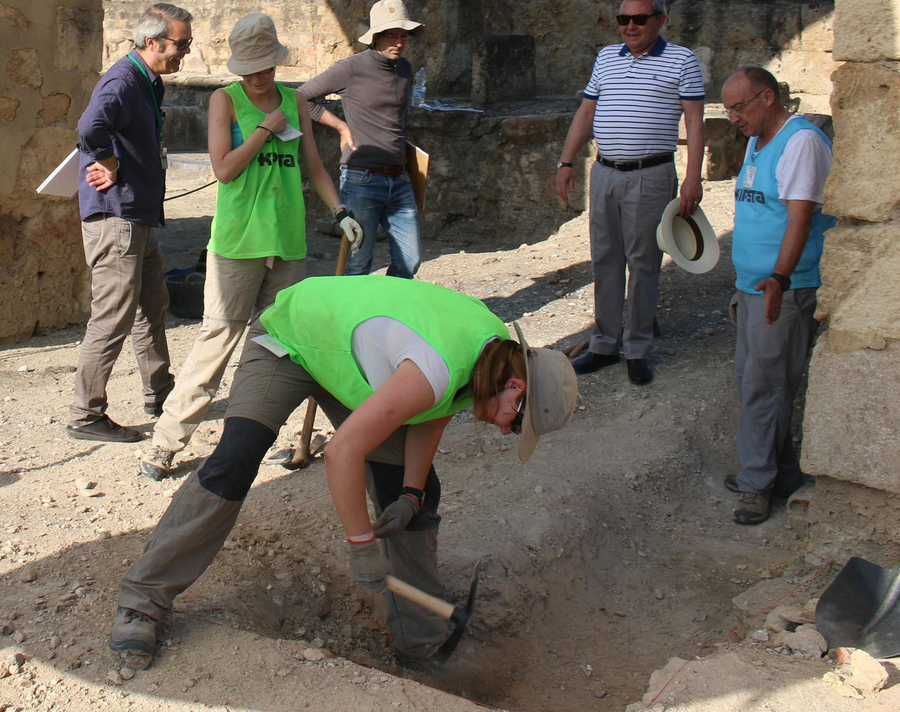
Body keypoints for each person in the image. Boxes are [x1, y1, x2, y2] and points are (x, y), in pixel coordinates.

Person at [109, 275, 578, 669]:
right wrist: (361, 546)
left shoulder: (488, 357)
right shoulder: (440, 364)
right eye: (516, 422)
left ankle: (421, 639)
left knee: (413, 490)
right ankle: (141, 602)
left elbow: (431, 415)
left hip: (353, 368)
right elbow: (342, 454)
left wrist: (412, 494)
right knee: (237, 457)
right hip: (293, 340)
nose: (505, 432)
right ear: (515, 386)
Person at [139, 13, 364, 481]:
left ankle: (257, 439)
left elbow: (314, 168)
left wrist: (340, 211)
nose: (259, 77)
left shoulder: (296, 101)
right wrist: (265, 129)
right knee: (217, 340)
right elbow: (223, 169)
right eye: (251, 69)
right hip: (237, 243)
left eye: (266, 67)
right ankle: (166, 443)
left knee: (275, 348)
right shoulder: (226, 100)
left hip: (287, 243)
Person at [556, 0, 705, 386]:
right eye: (624, 19)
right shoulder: (606, 58)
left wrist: (693, 177)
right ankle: (604, 343)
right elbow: (587, 110)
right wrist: (566, 161)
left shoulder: (681, 60)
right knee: (604, 259)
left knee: (643, 263)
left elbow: (693, 120)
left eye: (640, 19)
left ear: (660, 19)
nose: (631, 27)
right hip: (605, 171)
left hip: (650, 173)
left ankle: (637, 347)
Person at [67, 2, 194, 443]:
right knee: (113, 316)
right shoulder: (122, 80)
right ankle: (86, 415)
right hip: (115, 217)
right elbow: (89, 128)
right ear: (153, 41)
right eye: (182, 44)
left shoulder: (147, 81)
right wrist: (109, 163)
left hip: (135, 215)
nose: (186, 53)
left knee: (151, 307)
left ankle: (161, 394)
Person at [721, 66, 835, 525]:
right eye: (728, 109)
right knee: (755, 378)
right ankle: (778, 470)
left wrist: (780, 279)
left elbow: (800, 218)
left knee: (765, 385)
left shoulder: (800, 142)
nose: (733, 117)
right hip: (752, 286)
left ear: (767, 98)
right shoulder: (757, 139)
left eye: (739, 107)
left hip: (781, 288)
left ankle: (756, 486)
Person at [297, 0, 424, 278]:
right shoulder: (351, 68)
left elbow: (398, 116)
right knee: (358, 264)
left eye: (403, 35)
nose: (399, 42)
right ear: (375, 37)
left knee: (410, 260)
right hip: (362, 178)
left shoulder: (404, 68)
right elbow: (300, 98)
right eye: (392, 35)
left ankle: (385, 315)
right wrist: (340, 126)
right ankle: (354, 321)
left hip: (399, 178)